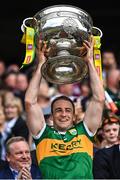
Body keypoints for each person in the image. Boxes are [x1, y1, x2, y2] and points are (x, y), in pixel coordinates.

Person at [25, 36, 105, 179]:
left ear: (74, 115)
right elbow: (30, 102)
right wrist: (41, 64)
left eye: (68, 110)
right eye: (58, 110)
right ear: (52, 115)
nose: (63, 114)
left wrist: (90, 62)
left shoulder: (85, 131)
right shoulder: (43, 134)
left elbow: (99, 99)